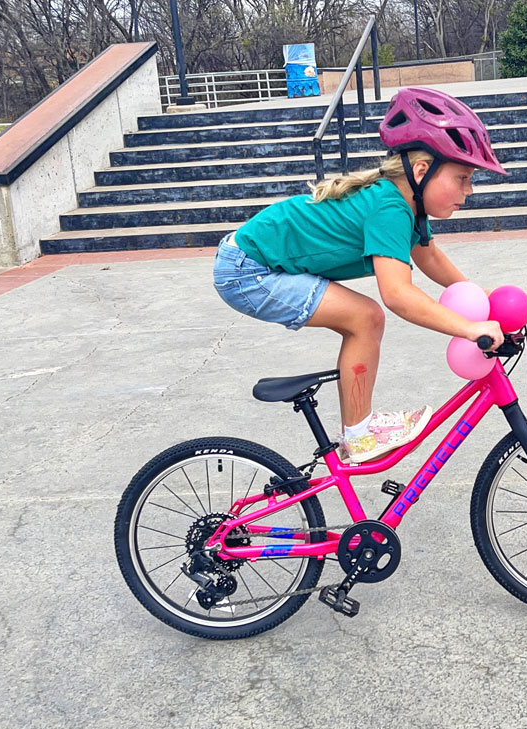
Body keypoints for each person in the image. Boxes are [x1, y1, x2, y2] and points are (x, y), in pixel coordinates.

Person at [213, 87, 507, 463]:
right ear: (421, 171)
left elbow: (428, 255)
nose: (469, 191)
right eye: (463, 178)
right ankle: (359, 434)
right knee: (365, 317)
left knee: (364, 318)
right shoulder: (390, 208)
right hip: (248, 270)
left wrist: (475, 292)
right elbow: (398, 295)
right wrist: (469, 329)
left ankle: (359, 429)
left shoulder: (404, 207)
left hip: (249, 260)